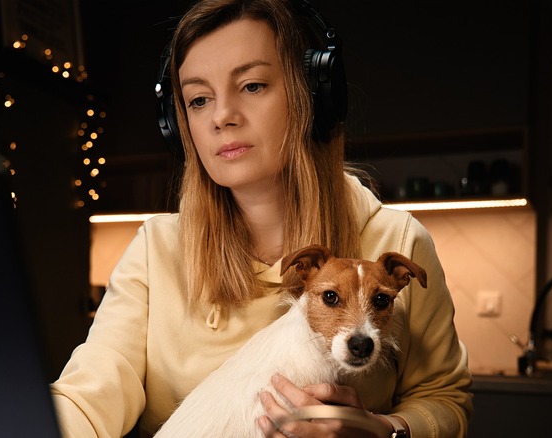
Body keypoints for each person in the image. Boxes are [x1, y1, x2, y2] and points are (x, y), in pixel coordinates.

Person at [50, 0, 473, 436]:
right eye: (198, 99)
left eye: (251, 86)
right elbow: (87, 397)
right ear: (180, 125)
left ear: (313, 94)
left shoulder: (399, 239)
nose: (222, 117)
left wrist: (384, 430)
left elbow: (445, 399)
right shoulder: (155, 249)